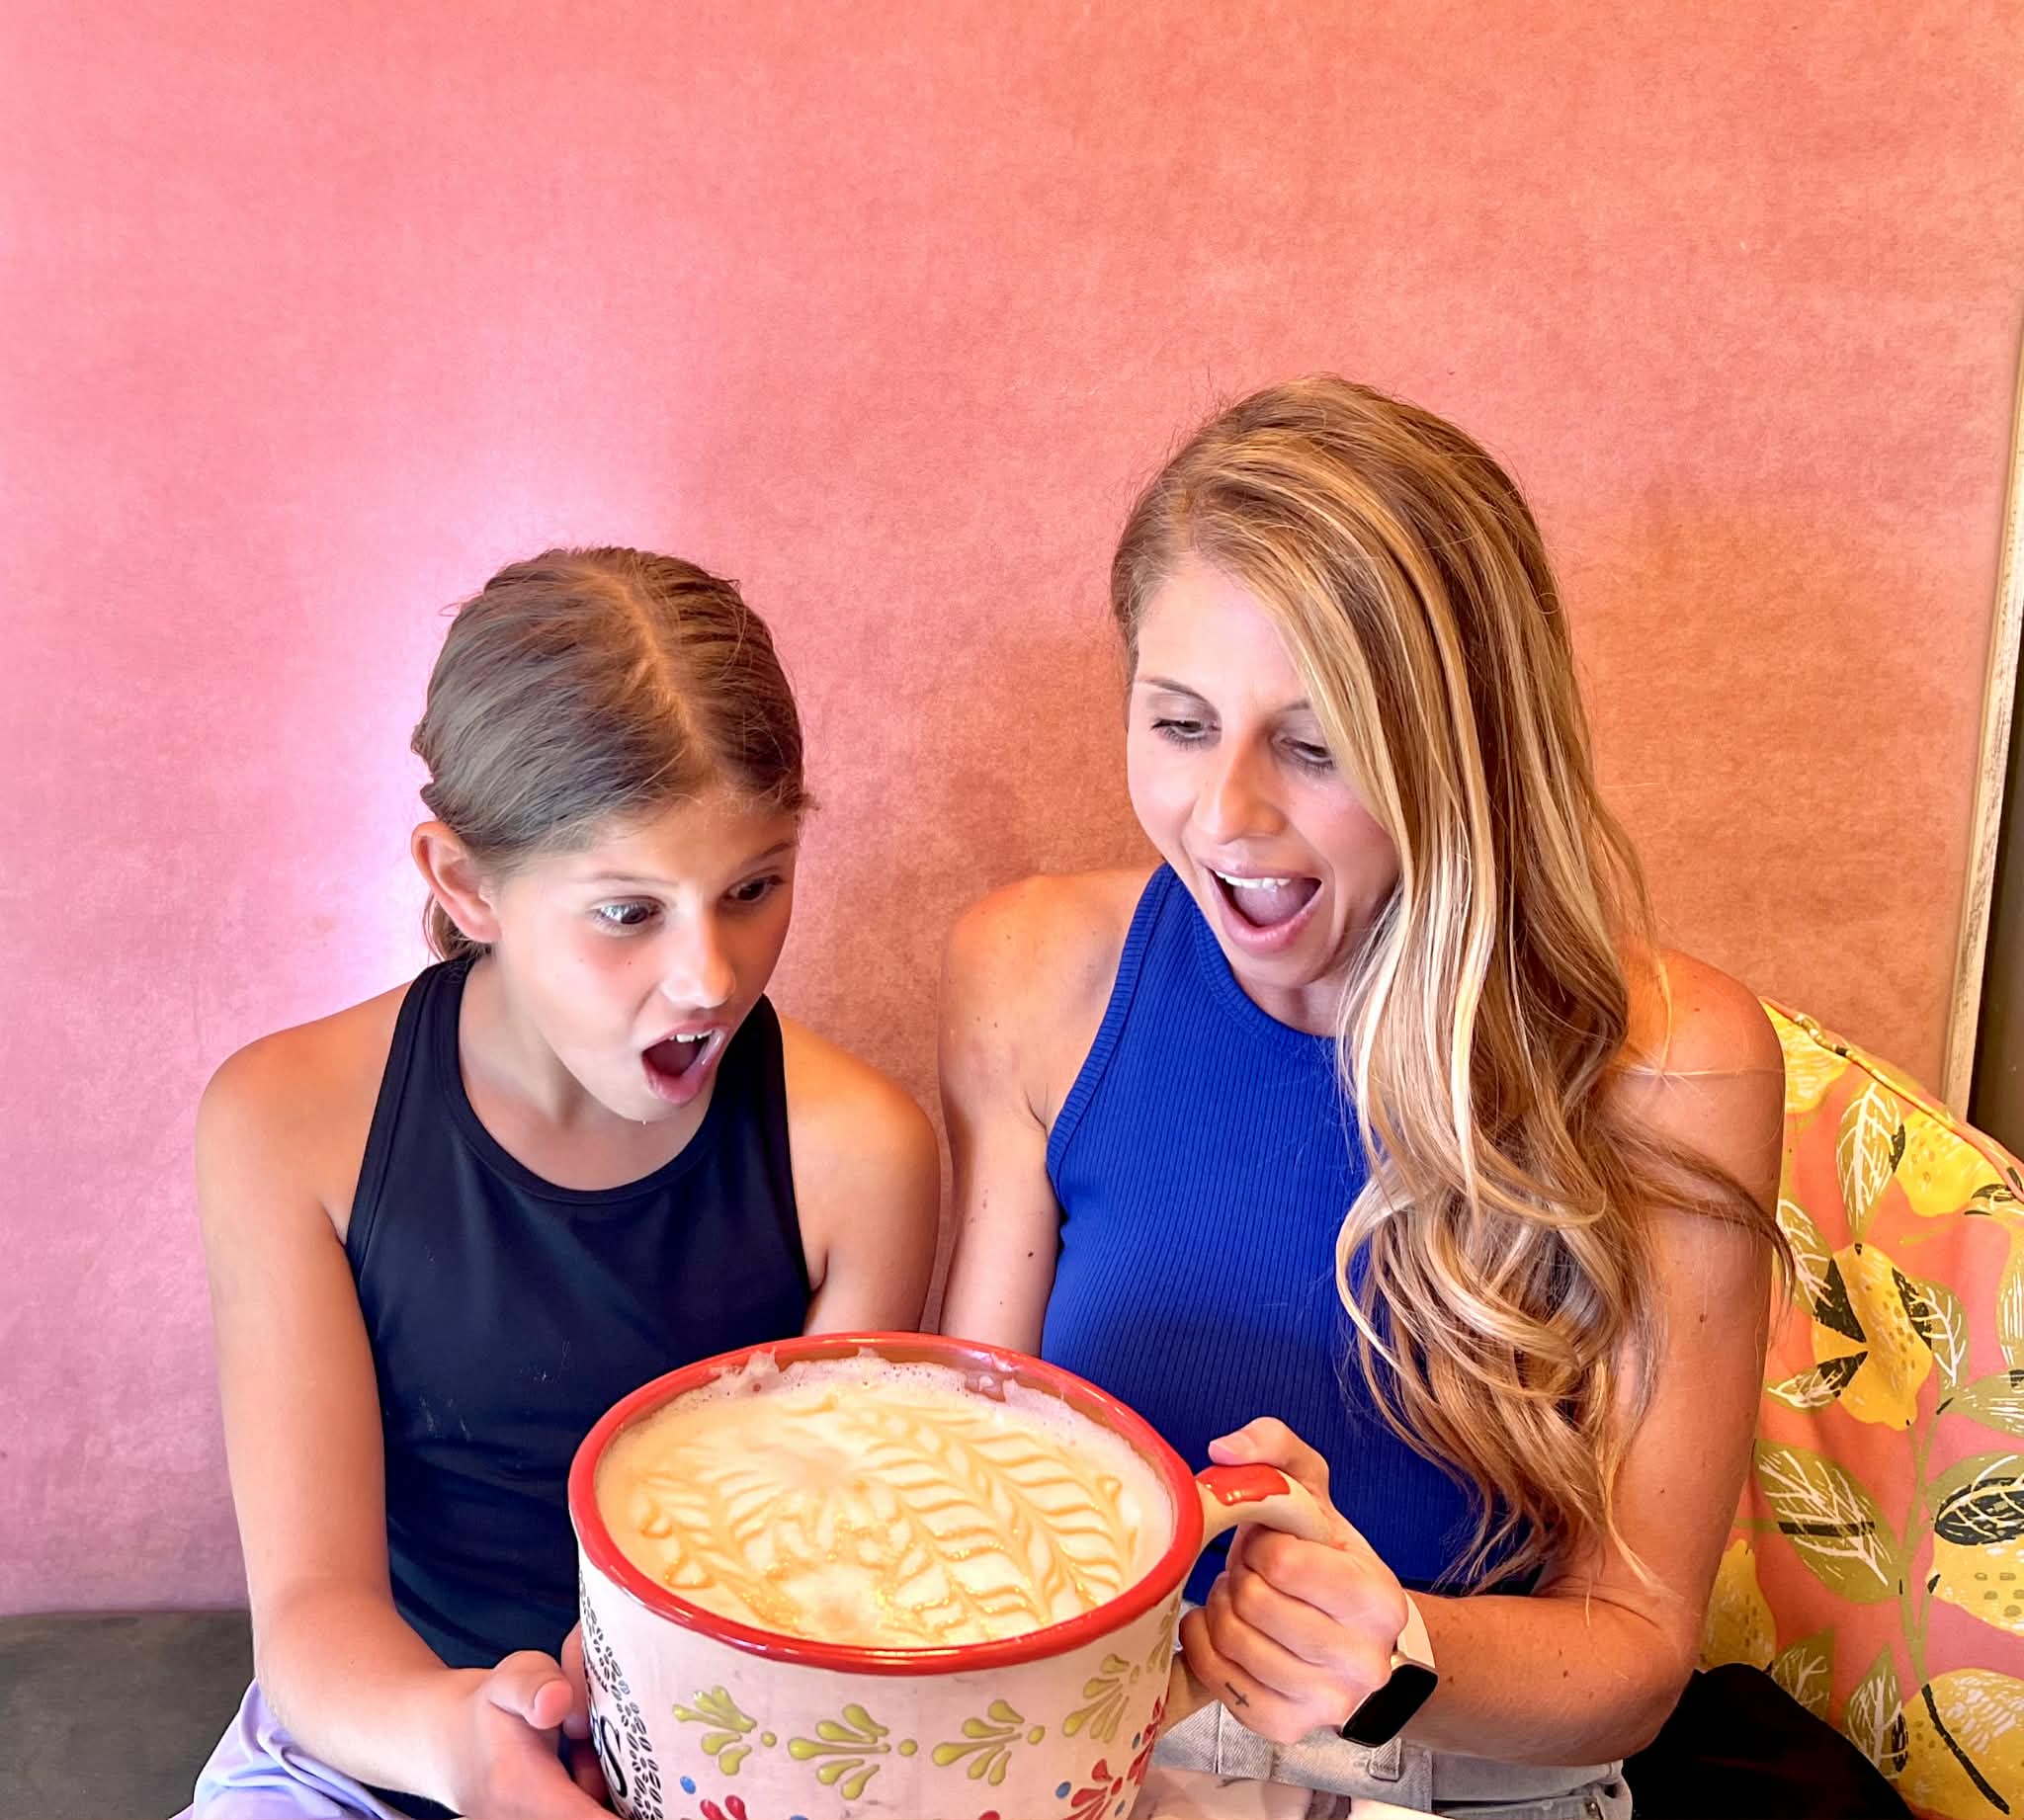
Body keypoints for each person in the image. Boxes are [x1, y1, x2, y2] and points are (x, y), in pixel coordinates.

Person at [938, 379, 1791, 1817]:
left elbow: (1637, 1658)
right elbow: (968, 1464)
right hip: (1105, 1761)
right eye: (1182, 721)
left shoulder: (1680, 1062)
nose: (1226, 817)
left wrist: (1395, 1643)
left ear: (1465, 750)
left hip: (1467, 1778)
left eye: (1317, 745)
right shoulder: (1026, 971)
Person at [183, 548, 939, 1820]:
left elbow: (821, 1563)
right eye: (626, 913)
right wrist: (467, 1746)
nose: (710, 977)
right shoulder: (283, 1124)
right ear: (467, 884)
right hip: (373, 1741)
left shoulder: (859, 1152)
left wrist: (671, 1706)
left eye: (752, 888)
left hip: (718, 1750)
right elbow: (314, 1618)